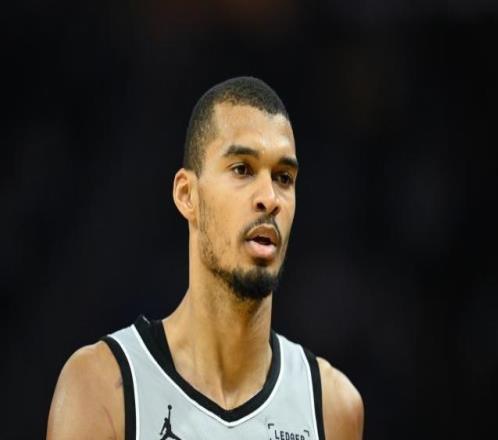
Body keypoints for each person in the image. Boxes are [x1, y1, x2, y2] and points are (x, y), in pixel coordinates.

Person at [47, 76, 364, 440]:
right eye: (242, 169)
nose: (270, 198)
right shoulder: (102, 388)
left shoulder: (333, 407)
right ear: (187, 195)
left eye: (283, 177)